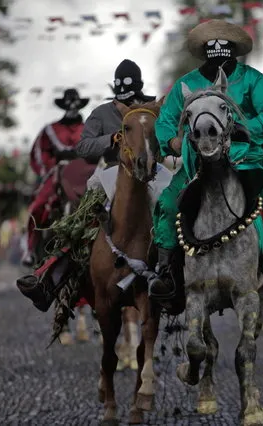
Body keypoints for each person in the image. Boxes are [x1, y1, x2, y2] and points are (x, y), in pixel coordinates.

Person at [148, 19, 263, 307]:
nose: (219, 59)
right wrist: (172, 142)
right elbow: (166, 121)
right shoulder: (186, 84)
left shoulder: (251, 79)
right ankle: (167, 275)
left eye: (225, 53)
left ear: (233, 52)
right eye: (213, 53)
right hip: (196, 161)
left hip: (249, 157)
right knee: (166, 204)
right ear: (204, 54)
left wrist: (244, 128)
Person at [17, 59, 157, 312]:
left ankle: (180, 273)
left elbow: (169, 137)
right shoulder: (102, 113)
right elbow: (83, 146)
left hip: (152, 172)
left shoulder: (153, 108)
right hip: (112, 172)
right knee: (79, 224)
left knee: (176, 207)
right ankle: (49, 282)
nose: (124, 101)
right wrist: (111, 138)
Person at [22, 88, 88, 267]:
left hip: (84, 175)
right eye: (69, 105)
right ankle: (30, 249)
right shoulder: (50, 130)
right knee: (38, 206)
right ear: (64, 106)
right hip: (57, 173)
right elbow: (38, 153)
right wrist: (50, 167)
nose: (72, 109)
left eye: (75, 105)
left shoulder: (89, 128)